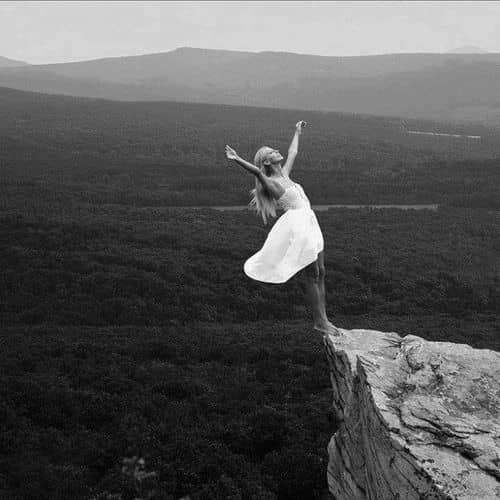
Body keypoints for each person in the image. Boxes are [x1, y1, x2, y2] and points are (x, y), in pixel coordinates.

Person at [225, 121, 342, 336]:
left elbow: (293, 152)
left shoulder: (285, 174)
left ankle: (325, 318)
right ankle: (320, 321)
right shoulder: (271, 182)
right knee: (312, 274)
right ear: (267, 161)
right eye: (272, 152)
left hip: (310, 220)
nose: (276, 151)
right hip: (299, 225)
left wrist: (297, 131)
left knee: (321, 272)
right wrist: (237, 158)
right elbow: (257, 172)